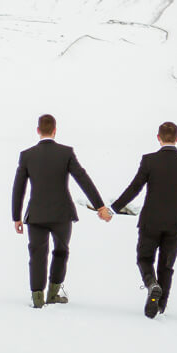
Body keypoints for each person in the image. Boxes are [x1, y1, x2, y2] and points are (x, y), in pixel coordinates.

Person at [11, 113, 112, 308]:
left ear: (38, 130)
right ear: (55, 131)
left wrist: (16, 216)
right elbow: (83, 178)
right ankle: (53, 294)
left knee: (37, 254)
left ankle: (37, 298)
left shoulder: (27, 155)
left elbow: (18, 188)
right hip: (62, 214)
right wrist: (100, 206)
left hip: (36, 215)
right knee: (61, 251)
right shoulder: (66, 153)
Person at [109, 121, 177, 318]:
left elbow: (135, 188)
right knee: (166, 266)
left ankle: (151, 284)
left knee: (144, 258)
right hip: (175, 222)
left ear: (158, 138)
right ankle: (160, 305)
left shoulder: (149, 161)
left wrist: (113, 208)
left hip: (150, 221)